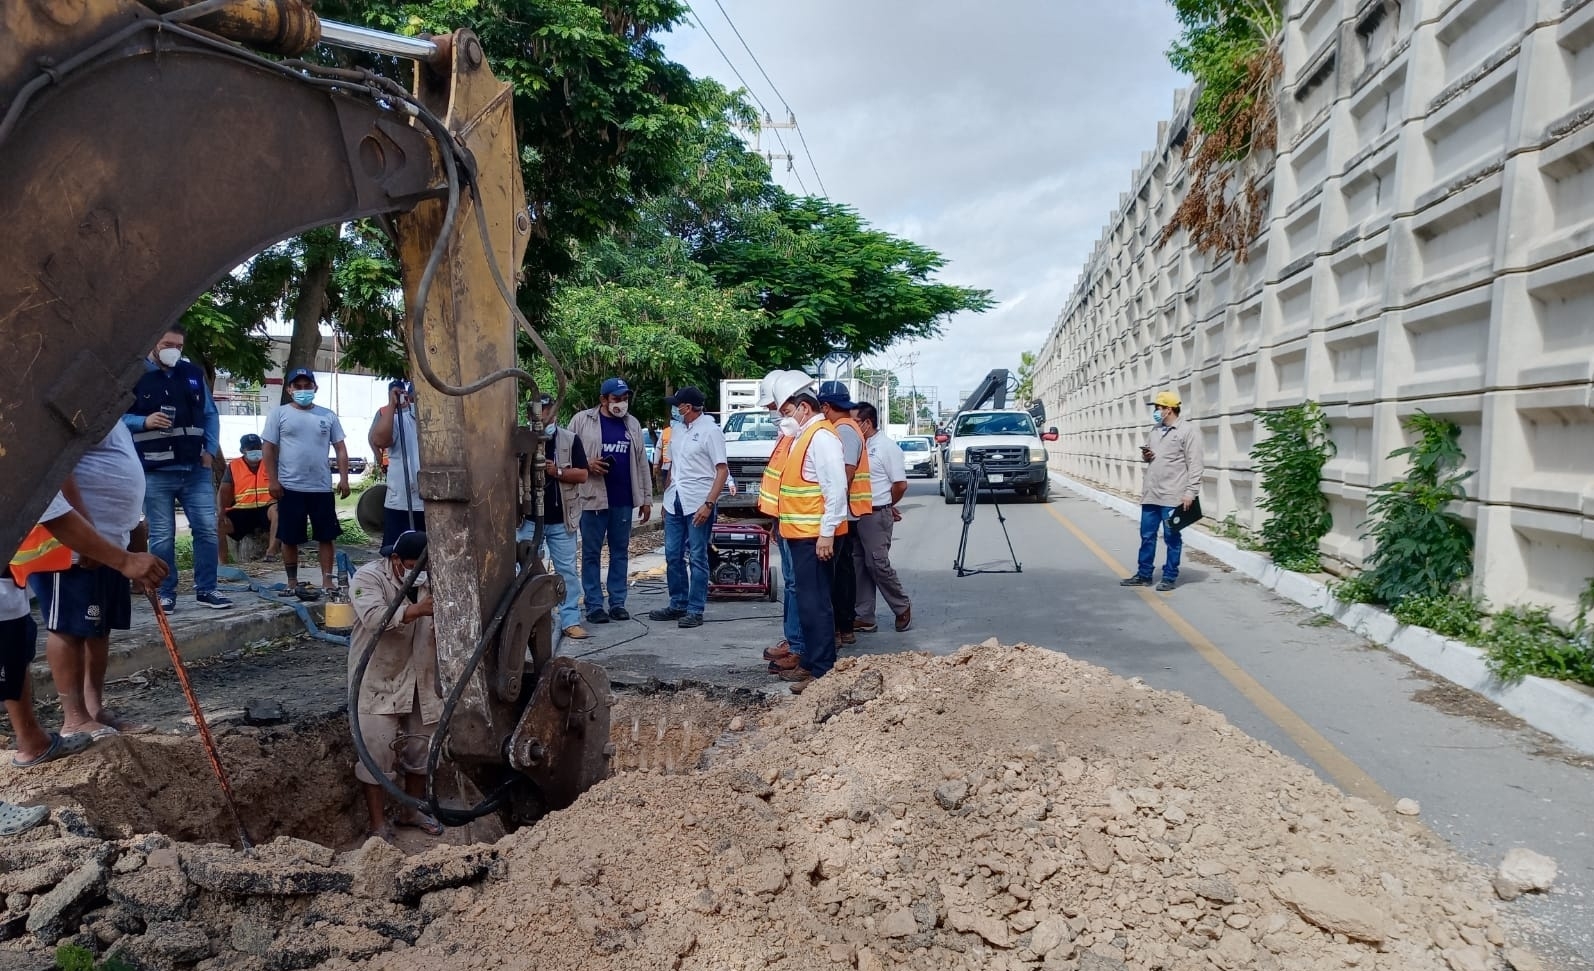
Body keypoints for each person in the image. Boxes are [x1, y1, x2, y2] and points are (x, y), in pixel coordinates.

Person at [6, 492, 167, 790]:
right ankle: (60, 726)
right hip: (74, 549)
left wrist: (128, 544)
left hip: (95, 544)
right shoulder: (30, 455)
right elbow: (54, 510)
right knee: (38, 636)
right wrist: (122, 558)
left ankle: (37, 739)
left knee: (20, 642)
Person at [28, 424, 160, 737]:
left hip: (111, 543)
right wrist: (85, 527)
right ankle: (74, 718)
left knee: (98, 628)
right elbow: (58, 466)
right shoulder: (73, 405)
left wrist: (134, 543)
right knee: (68, 627)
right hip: (73, 544)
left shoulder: (112, 413)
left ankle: (94, 709)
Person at [123, 323, 232, 611]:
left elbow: (210, 414)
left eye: (179, 346)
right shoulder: (135, 374)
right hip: (155, 470)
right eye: (167, 344)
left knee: (207, 529)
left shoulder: (192, 374)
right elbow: (116, 419)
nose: (173, 351)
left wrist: (210, 449)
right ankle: (165, 592)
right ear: (153, 343)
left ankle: (207, 589)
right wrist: (143, 422)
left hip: (195, 469)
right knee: (162, 534)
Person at [347, 530, 444, 842]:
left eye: (424, 567)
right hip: (378, 677)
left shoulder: (438, 575)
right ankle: (377, 824)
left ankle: (411, 811)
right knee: (376, 750)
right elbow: (375, 617)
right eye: (414, 566)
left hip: (423, 674)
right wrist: (417, 609)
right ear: (396, 561)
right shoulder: (368, 578)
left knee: (423, 747)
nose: (420, 573)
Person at [767, 372, 848, 693]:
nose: (784, 418)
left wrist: (827, 533)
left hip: (817, 537)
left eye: (786, 412)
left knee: (816, 604)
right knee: (810, 603)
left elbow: (836, 488)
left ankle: (822, 669)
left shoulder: (822, 437)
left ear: (803, 407)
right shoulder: (805, 436)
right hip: (803, 535)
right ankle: (814, 664)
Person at [569, 377, 652, 624]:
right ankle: (594, 605)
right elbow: (564, 453)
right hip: (591, 500)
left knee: (620, 553)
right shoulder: (582, 421)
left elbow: (641, 463)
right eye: (616, 399)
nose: (621, 403)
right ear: (603, 400)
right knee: (592, 554)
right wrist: (586, 464)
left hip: (623, 499)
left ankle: (617, 602)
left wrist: (646, 499)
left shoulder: (632, 424)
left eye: (625, 398)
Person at [263, 367, 351, 597]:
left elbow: (340, 448)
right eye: (298, 386)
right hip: (290, 487)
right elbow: (268, 448)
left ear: (315, 388)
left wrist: (344, 478)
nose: (303, 390)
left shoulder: (327, 415)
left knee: (326, 535)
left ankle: (327, 581)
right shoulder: (279, 414)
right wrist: (273, 480)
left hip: (321, 486)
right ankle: (292, 582)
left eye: (307, 386)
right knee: (289, 536)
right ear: (290, 389)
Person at [649, 387, 728, 629]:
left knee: (697, 557)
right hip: (675, 500)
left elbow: (722, 470)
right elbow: (673, 465)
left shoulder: (711, 431)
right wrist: (666, 498)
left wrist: (709, 503)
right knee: (672, 554)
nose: (675, 408)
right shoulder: (678, 431)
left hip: (698, 502)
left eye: (678, 404)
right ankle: (678, 603)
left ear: (689, 407)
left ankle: (695, 609)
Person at [516, 394, 590, 641]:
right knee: (524, 569)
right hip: (528, 519)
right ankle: (529, 621)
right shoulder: (522, 440)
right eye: (537, 412)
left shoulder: (569, 440)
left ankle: (570, 620)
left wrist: (555, 471)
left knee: (566, 570)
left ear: (555, 413)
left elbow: (582, 475)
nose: (542, 416)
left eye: (546, 411)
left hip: (560, 519)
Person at [1122, 390, 1204, 592]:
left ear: (1169, 409)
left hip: (1172, 495)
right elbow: (1150, 457)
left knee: (1171, 537)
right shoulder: (1156, 430)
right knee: (1147, 535)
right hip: (1151, 494)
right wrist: (1147, 455)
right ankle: (1144, 574)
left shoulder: (1187, 431)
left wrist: (1190, 493)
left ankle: (1169, 576)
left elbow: (1195, 464)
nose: (1156, 412)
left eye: (1158, 408)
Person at [755, 371, 808, 672]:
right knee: (792, 585)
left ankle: (799, 645)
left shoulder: (804, 435)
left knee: (797, 586)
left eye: (773, 407)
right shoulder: (788, 435)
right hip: (786, 520)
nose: (770, 413)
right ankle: (794, 641)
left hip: (800, 523)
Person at [815, 381, 873, 646]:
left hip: (843, 514)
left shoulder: (843, 430)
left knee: (838, 575)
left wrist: (832, 507)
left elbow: (845, 474)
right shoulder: (845, 427)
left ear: (826, 406)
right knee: (842, 571)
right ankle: (843, 627)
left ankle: (841, 628)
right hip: (844, 512)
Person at [851, 403, 912, 633]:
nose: (851, 426)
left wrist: (887, 504)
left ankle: (901, 605)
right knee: (859, 565)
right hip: (856, 513)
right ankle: (864, 615)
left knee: (877, 564)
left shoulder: (886, 447)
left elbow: (900, 484)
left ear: (867, 423)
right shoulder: (856, 445)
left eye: (855, 422)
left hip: (876, 513)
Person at [369, 379, 425, 549]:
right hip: (401, 502)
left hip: (433, 502)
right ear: (411, 398)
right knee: (396, 553)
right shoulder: (400, 419)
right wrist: (392, 406)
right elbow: (378, 440)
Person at [217, 434, 280, 564]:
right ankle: (222, 564)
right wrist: (220, 511)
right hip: (243, 510)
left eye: (257, 447)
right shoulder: (234, 466)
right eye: (250, 448)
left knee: (278, 512)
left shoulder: (272, 462)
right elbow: (223, 491)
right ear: (242, 450)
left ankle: (271, 552)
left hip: (266, 507)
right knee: (216, 524)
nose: (254, 450)